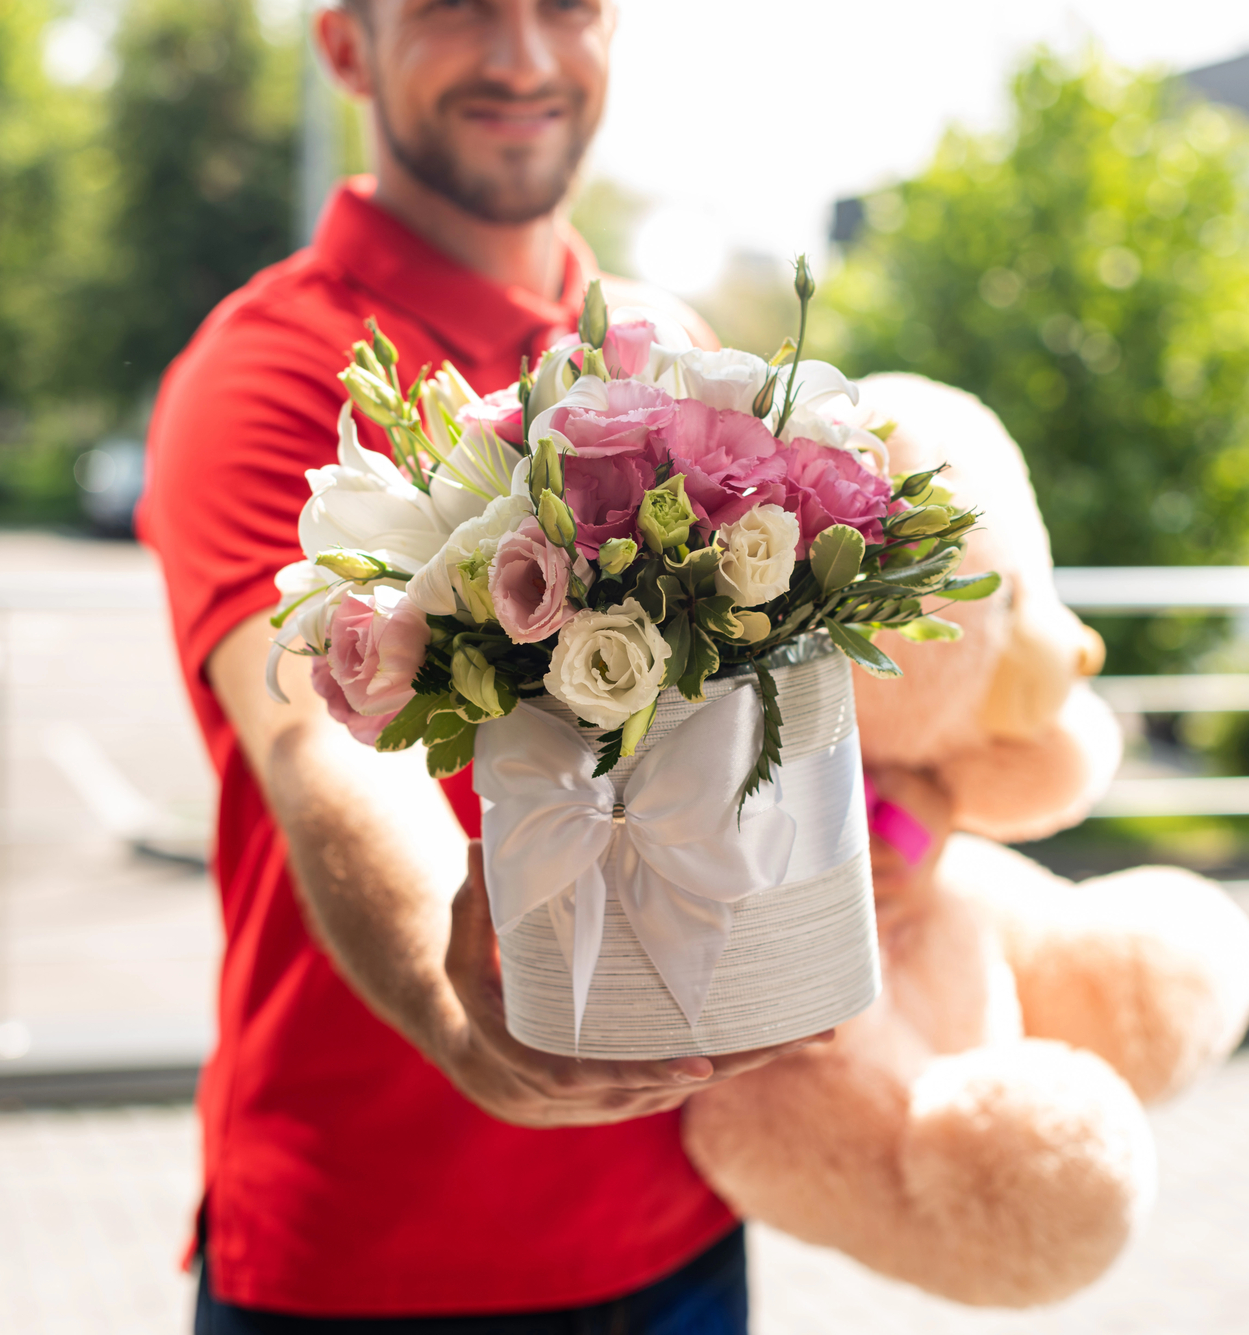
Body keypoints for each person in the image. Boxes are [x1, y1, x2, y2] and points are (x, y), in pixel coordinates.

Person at [138, 2, 827, 1329]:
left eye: (565, 5)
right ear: (348, 47)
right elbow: (313, 740)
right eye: (457, 5)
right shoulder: (269, 367)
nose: (521, 56)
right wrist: (455, 1003)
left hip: (679, 1236)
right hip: (365, 1261)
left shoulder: (672, 350)